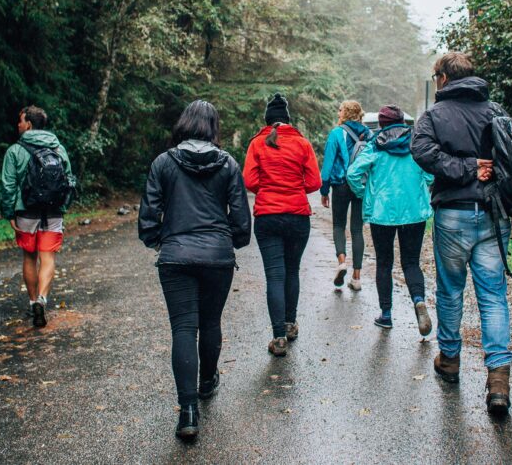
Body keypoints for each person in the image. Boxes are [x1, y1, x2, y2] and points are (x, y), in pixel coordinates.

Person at [138, 101, 251, 442]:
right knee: (211, 322)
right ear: (213, 126)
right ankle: (206, 383)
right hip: (217, 257)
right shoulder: (228, 162)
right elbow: (242, 220)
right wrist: (230, 240)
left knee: (183, 329)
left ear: (184, 124)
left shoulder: (163, 162)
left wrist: (161, 241)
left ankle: (188, 412)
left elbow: (148, 215)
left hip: (175, 257)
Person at [410, 52, 512, 416]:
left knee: (451, 290)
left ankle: (450, 360)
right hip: (492, 215)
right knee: (493, 295)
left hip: (452, 214)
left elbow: (420, 150)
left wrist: (461, 168)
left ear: (443, 78)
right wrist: (478, 167)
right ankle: (498, 380)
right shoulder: (497, 112)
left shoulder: (434, 117)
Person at [243, 93, 321, 357]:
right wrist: (293, 185)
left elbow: (250, 181)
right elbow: (314, 182)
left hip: (267, 216)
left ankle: (278, 338)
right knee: (292, 270)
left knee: (275, 275)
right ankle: (290, 324)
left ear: (267, 120)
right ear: (287, 120)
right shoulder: (302, 143)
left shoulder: (257, 144)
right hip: (298, 215)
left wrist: (269, 186)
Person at [346, 105, 433, 335]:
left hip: (382, 212)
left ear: (382, 124)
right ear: (404, 122)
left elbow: (353, 173)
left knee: (384, 262)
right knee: (411, 262)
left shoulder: (374, 145)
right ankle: (418, 300)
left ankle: (386, 315)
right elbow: (431, 174)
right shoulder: (415, 145)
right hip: (414, 212)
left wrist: (362, 192)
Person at [0, 105, 73, 329]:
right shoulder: (58, 148)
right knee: (48, 258)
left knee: (29, 257)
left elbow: (8, 184)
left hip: (26, 212)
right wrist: (63, 206)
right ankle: (43, 298)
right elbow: (69, 179)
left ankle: (33, 303)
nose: (18, 125)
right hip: (52, 211)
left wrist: (8, 211)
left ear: (29, 124)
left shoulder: (15, 150)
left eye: (20, 121)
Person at [319, 100, 371, 291]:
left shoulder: (336, 133)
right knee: (357, 230)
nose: (338, 113)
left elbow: (327, 166)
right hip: (360, 186)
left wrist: (324, 190)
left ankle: (342, 261)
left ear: (347, 113)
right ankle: (357, 278)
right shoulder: (369, 134)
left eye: (340, 110)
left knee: (339, 226)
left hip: (340, 185)